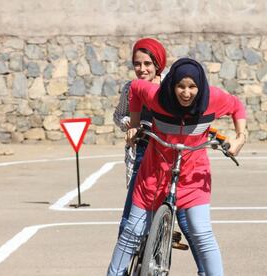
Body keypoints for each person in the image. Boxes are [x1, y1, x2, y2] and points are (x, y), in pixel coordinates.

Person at [113, 57, 247, 275]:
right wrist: (135, 126)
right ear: (172, 84)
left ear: (200, 86)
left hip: (194, 176)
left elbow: (237, 106)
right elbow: (136, 89)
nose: (186, 93)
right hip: (154, 173)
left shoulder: (212, 98)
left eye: (192, 87)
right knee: (132, 232)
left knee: (201, 232)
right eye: (181, 86)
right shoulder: (157, 96)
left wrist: (240, 137)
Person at [108, 39, 205, 275]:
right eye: (137, 64)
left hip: (172, 156)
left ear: (158, 64)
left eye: (148, 63)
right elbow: (119, 116)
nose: (142, 69)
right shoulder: (130, 88)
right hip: (143, 152)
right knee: (129, 221)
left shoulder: (171, 89)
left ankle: (203, 270)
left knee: (187, 222)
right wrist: (132, 126)